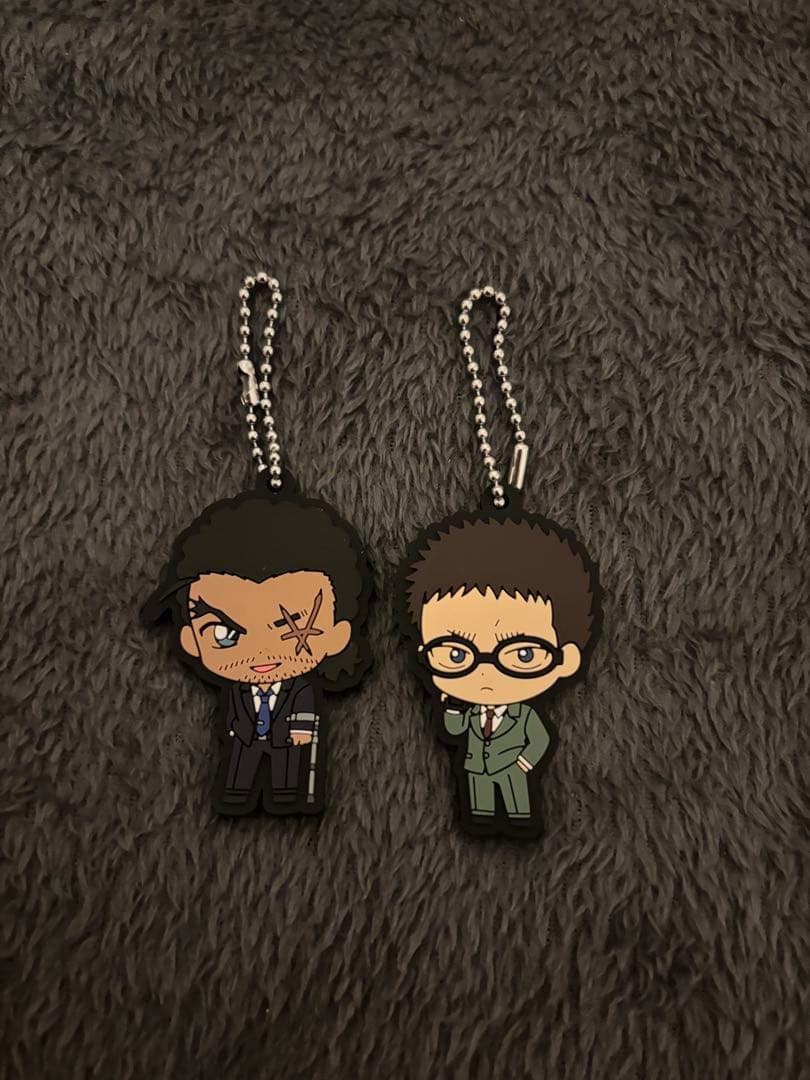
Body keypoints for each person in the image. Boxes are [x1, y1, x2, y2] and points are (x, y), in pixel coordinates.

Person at [143, 493, 370, 815]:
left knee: (287, 775)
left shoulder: (301, 688)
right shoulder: (237, 691)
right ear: (190, 640)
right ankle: (237, 794)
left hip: (286, 741)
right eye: (224, 633)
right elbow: (234, 711)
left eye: (288, 626)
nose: (261, 650)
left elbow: (304, 706)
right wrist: (235, 728)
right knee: (239, 775)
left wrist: (302, 730)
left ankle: (287, 794)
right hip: (244, 740)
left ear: (337, 634)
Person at [403, 514, 598, 834]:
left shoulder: (524, 715)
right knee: (479, 807)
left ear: (565, 659)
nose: (485, 674)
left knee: (518, 805)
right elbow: (453, 729)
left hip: (513, 769)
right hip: (475, 768)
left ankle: (519, 819)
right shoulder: (470, 709)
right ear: (425, 652)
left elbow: (540, 738)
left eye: (523, 654)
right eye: (456, 654)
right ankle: (482, 817)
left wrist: (524, 763)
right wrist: (452, 707)